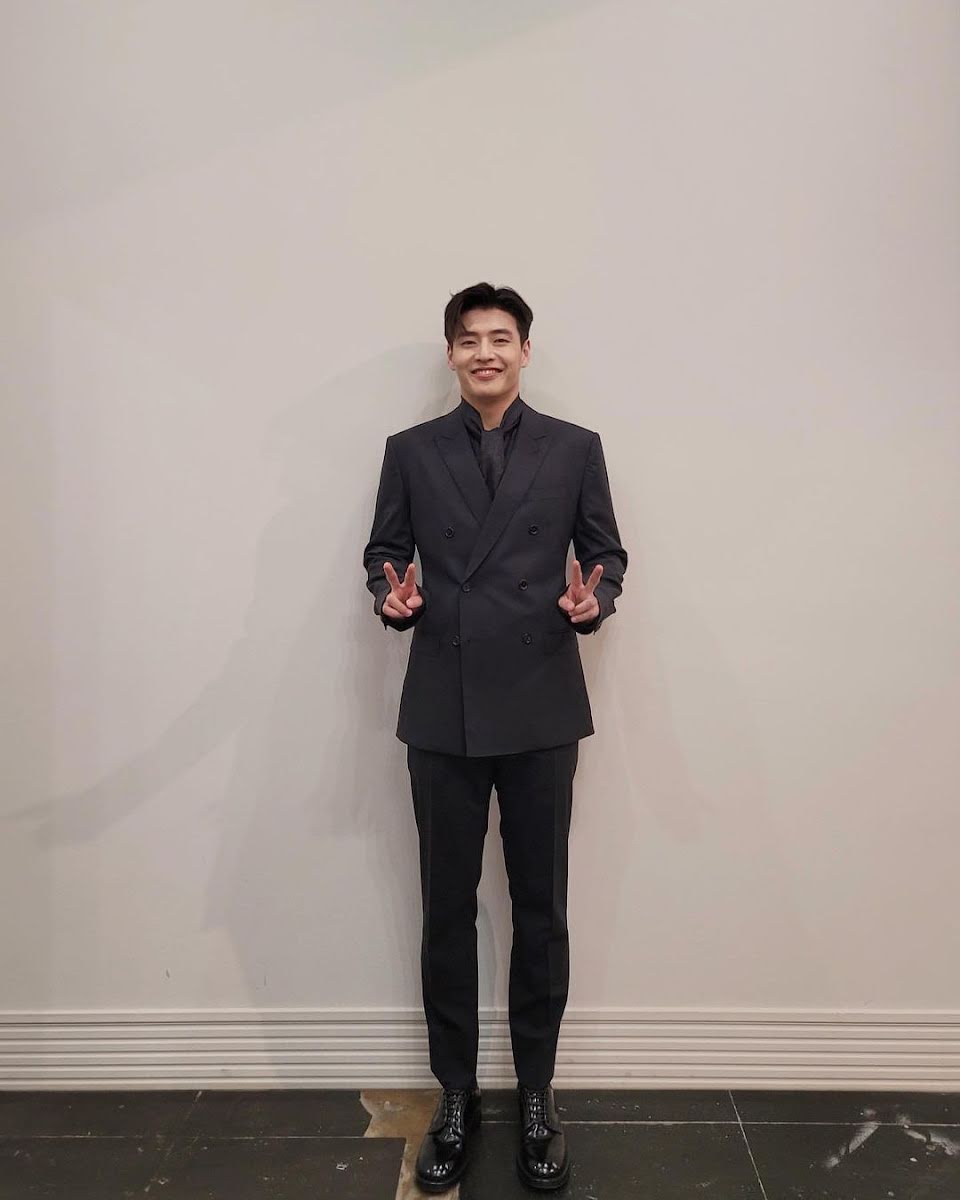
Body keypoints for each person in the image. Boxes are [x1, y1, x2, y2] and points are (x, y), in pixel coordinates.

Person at [362, 282, 627, 1192]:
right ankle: (457, 1093)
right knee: (445, 907)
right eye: (470, 339)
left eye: (501, 338)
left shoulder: (574, 447)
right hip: (444, 704)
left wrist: (595, 598)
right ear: (451, 354)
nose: (486, 352)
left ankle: (540, 1095)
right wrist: (393, 595)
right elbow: (385, 553)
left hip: (540, 702)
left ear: (524, 351)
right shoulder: (410, 450)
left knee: (541, 908)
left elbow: (606, 553)